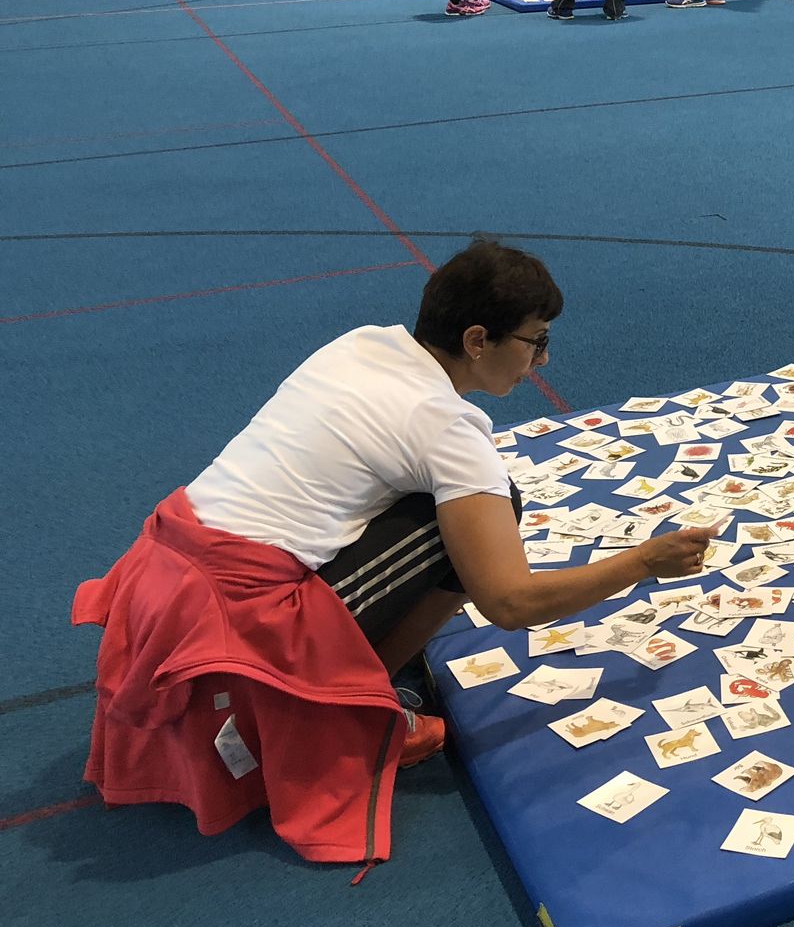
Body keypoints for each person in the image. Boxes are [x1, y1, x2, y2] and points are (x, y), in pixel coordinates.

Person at [72, 240, 718, 864]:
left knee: (447, 503)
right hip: (237, 614)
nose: (543, 360)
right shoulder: (449, 429)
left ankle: (355, 672)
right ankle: (359, 702)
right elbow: (511, 603)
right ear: (477, 339)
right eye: (536, 341)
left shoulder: (361, 343)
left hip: (160, 568)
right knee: (488, 511)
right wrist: (642, 563)